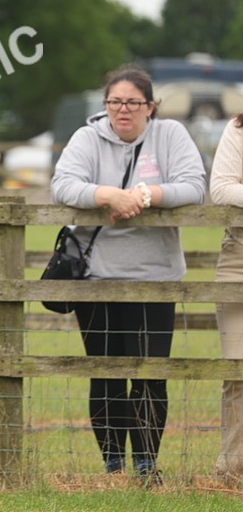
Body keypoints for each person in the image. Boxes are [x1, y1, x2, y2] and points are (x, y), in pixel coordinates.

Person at [51, 66, 205, 486]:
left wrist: (146, 195)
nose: (123, 110)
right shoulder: (87, 138)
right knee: (106, 373)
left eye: (133, 103)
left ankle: (146, 465)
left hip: (157, 277)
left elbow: (194, 186)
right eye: (115, 102)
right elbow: (63, 185)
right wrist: (108, 195)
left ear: (150, 107)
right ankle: (114, 465)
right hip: (97, 277)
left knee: (151, 374)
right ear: (105, 106)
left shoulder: (171, 136)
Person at [209, 111, 243, 481]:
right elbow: (221, 188)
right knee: (238, 367)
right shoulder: (238, 128)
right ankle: (232, 470)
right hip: (239, 257)